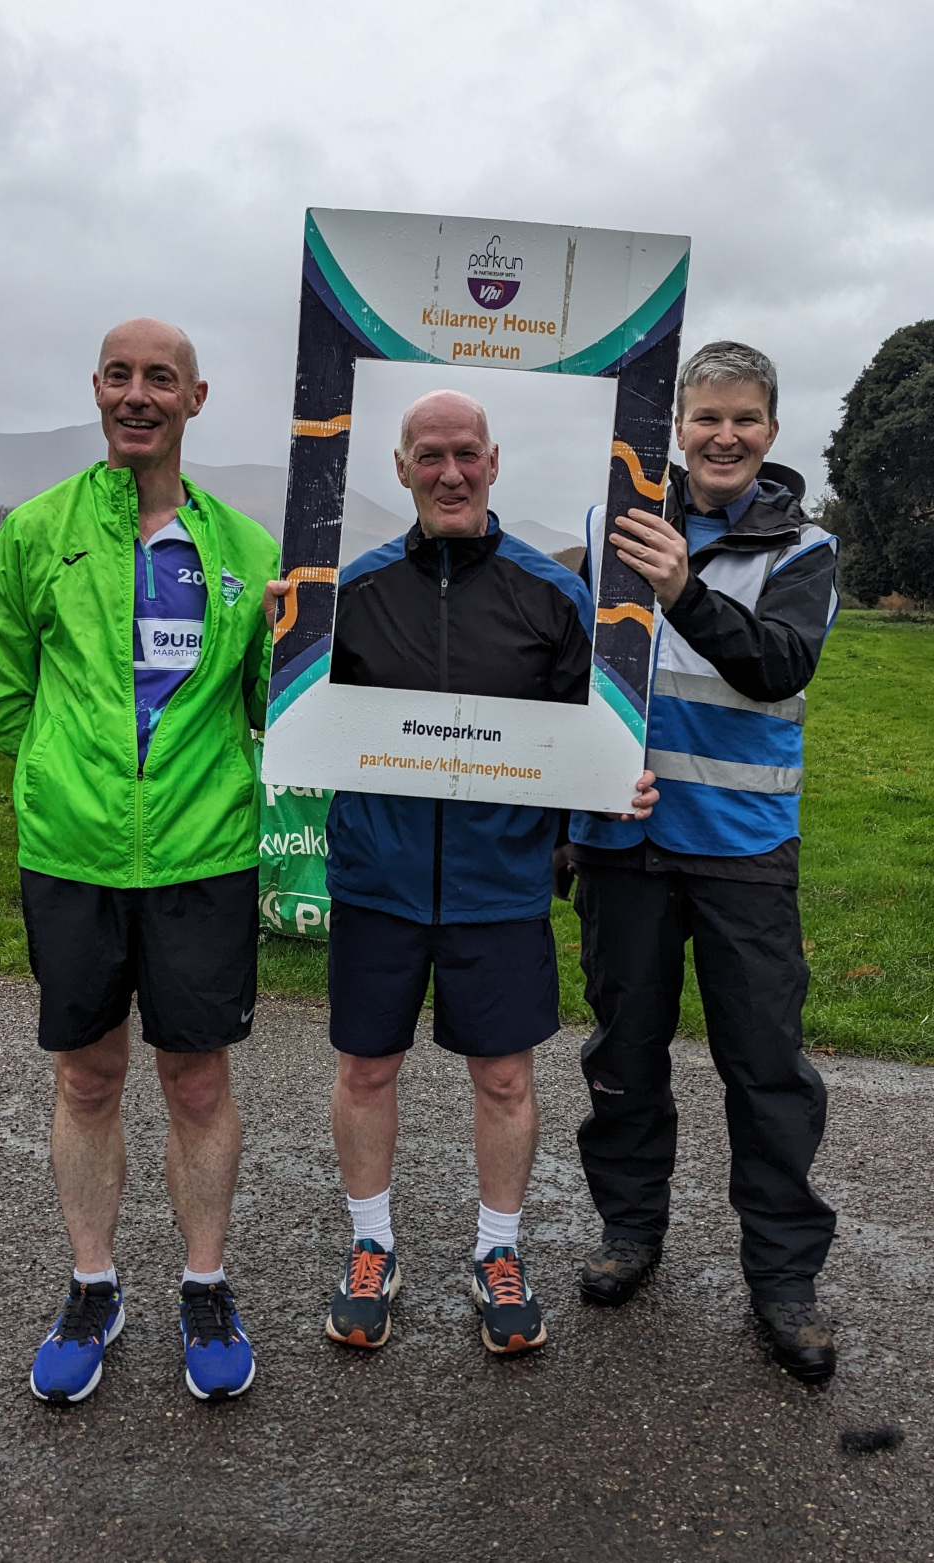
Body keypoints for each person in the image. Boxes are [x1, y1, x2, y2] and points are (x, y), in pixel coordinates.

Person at [268, 388, 656, 1355]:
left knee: (507, 1078)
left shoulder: (552, 594)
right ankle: (372, 1248)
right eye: (429, 455)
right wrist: (269, 643)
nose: (450, 472)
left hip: (499, 884)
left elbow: (593, 736)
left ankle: (498, 1251)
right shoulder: (347, 593)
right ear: (399, 467)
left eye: (467, 453)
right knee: (365, 1068)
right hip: (379, 880)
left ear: (494, 460)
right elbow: (280, 723)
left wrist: (614, 786)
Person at [0, 317, 279, 1405]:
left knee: (196, 1079)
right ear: (96, 389)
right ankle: (94, 1286)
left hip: (203, 855)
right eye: (120, 375)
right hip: (75, 854)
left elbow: (261, 706)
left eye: (162, 379)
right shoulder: (37, 531)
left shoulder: (245, 549)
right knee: (86, 1074)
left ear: (197, 399)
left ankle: (205, 1285)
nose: (137, 394)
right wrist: (70, 776)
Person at [569, 341, 839, 1383]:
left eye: (745, 419)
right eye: (705, 417)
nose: (723, 436)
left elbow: (777, 666)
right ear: (675, 425)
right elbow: (556, 654)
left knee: (766, 1070)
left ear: (772, 432)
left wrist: (681, 588)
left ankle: (782, 1278)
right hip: (623, 843)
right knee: (622, 1057)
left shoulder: (802, 548)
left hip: (741, 850)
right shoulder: (609, 523)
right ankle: (629, 1232)